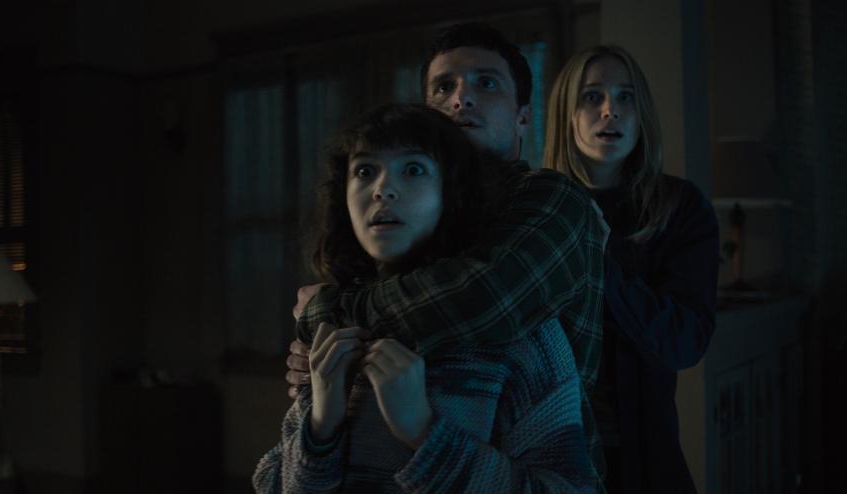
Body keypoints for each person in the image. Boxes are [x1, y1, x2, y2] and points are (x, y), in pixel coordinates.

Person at [286, 22, 609, 480]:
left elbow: (485, 296)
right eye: (443, 87)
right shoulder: (410, 230)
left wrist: (330, 312)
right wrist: (324, 381)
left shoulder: (549, 196)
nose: (461, 99)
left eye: (486, 83)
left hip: (536, 450)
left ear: (523, 116)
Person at [543, 45, 719, 493]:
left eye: (626, 97)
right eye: (592, 96)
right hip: (547, 452)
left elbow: (685, 342)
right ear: (566, 111)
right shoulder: (539, 210)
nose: (611, 111)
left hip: (644, 456)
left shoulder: (680, 207)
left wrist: (602, 263)